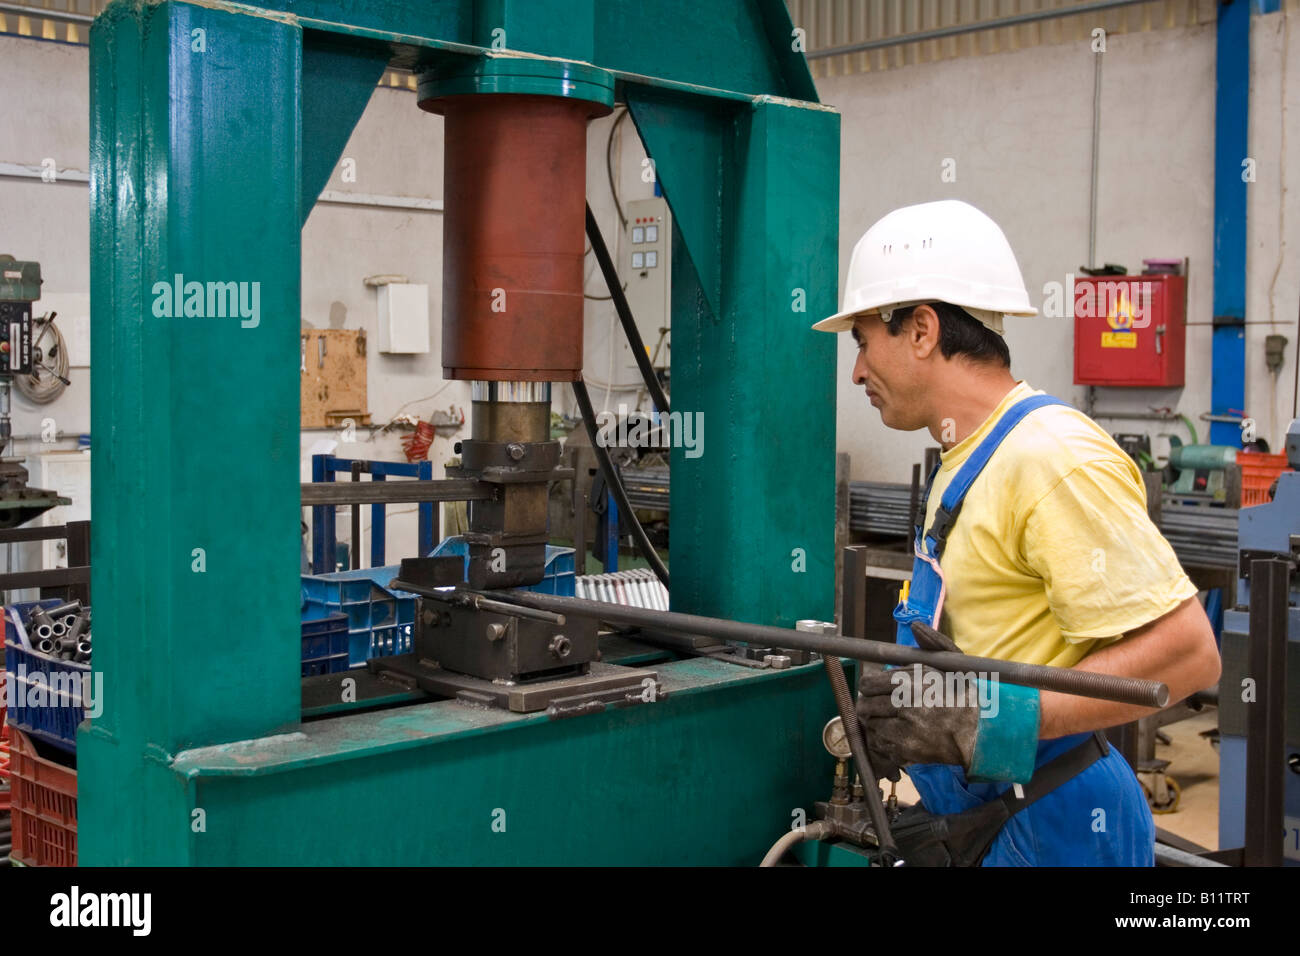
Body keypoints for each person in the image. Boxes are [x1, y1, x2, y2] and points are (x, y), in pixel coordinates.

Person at [813, 199, 1220, 866]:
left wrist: (991, 720)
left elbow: (1186, 656)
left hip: (1058, 822)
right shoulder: (963, 454)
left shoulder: (1051, 456)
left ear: (921, 330)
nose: (857, 370)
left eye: (862, 341)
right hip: (987, 813)